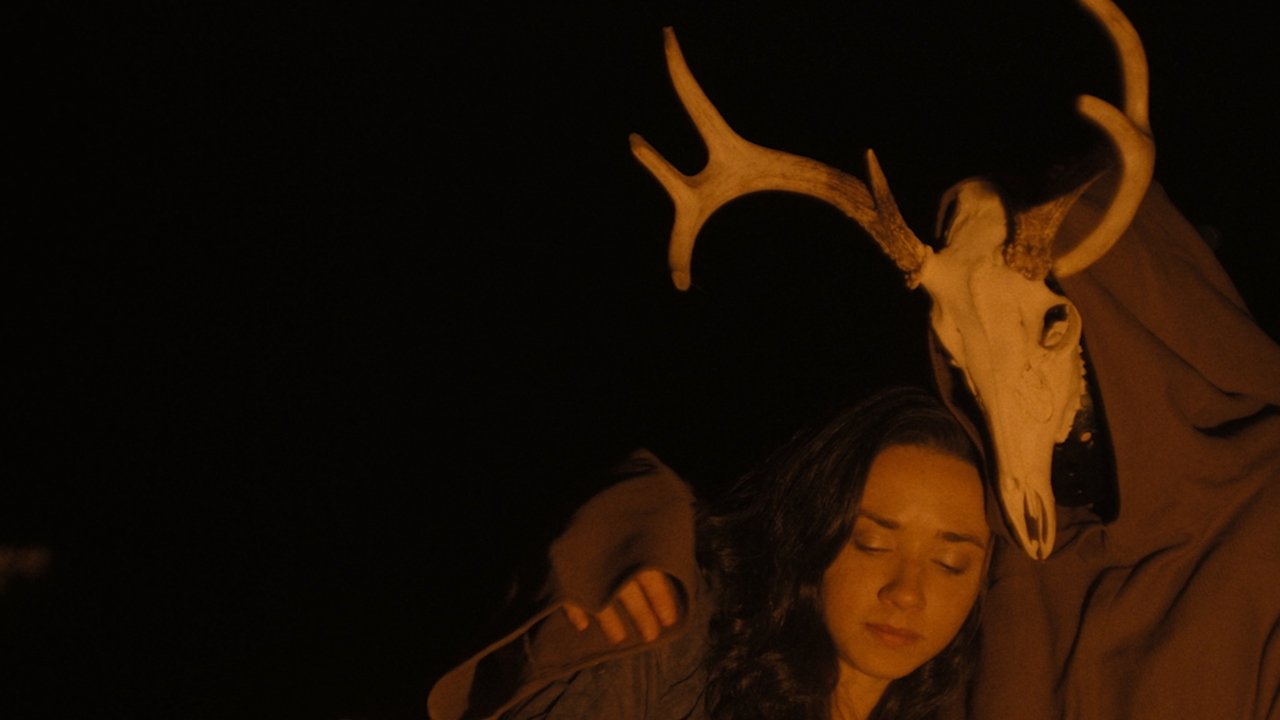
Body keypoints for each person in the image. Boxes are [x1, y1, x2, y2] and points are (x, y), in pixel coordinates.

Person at [428, 386, 993, 719]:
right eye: (871, 543)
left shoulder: (964, 700)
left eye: (952, 564)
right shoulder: (664, 643)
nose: (907, 592)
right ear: (813, 526)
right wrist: (631, 520)